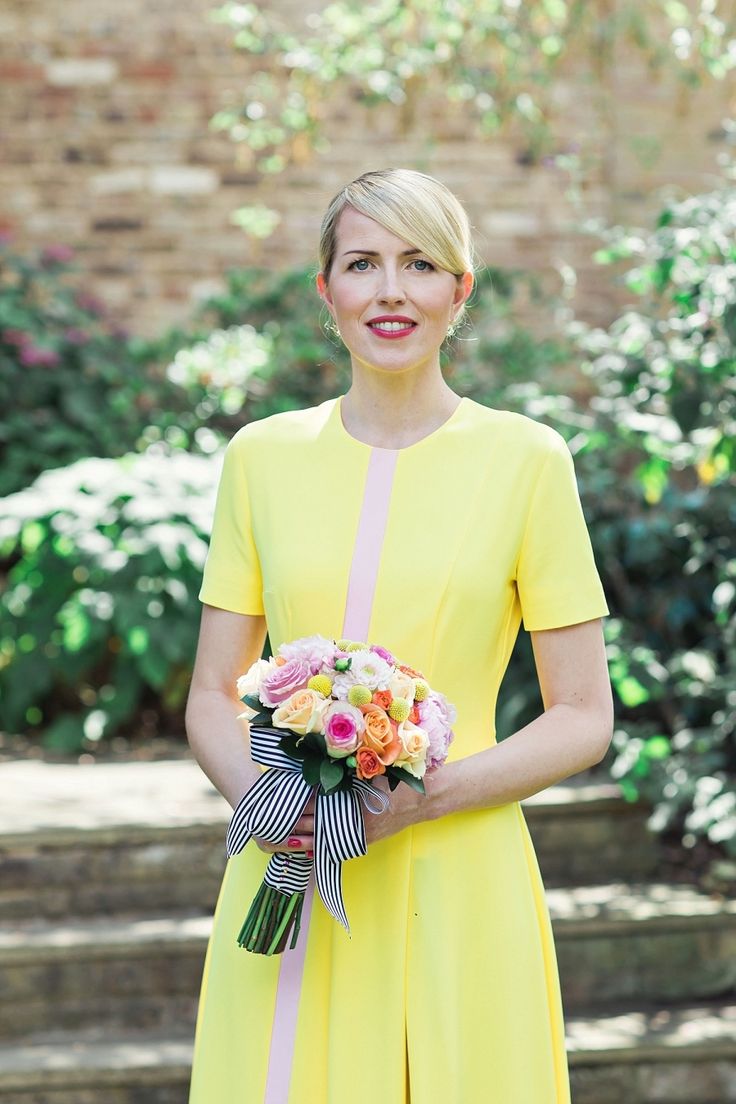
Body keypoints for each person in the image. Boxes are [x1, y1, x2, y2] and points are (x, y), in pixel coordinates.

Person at [186, 168, 613, 1103]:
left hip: (463, 869)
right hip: (294, 872)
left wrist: (428, 797)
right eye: (362, 263)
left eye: (420, 264)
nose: (390, 291)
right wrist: (276, 810)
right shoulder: (260, 456)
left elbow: (583, 713)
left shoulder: (528, 461)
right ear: (325, 290)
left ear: (460, 291)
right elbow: (212, 692)